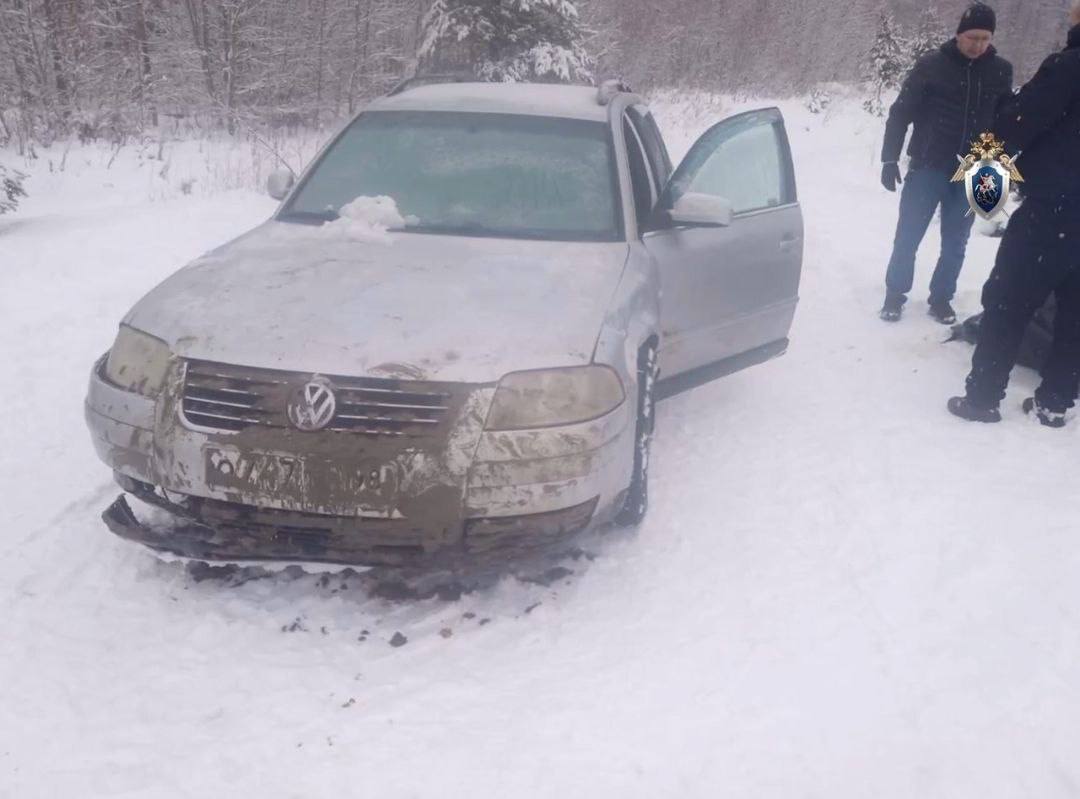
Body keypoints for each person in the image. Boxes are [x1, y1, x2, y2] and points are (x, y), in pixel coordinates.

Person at [948, 1, 1080, 427]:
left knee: (1007, 302)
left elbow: (1016, 125)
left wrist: (978, 178)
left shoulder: (1068, 67)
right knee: (1076, 315)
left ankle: (982, 398)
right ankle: (1055, 404)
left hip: (1053, 214)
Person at [878, 3, 1013, 324]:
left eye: (984, 38)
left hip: (974, 171)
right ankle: (895, 294)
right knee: (908, 235)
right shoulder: (931, 66)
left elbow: (1006, 120)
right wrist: (889, 158)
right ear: (958, 34)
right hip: (928, 165)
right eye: (971, 37)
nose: (977, 44)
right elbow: (901, 113)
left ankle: (941, 298)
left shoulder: (1001, 70)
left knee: (956, 242)